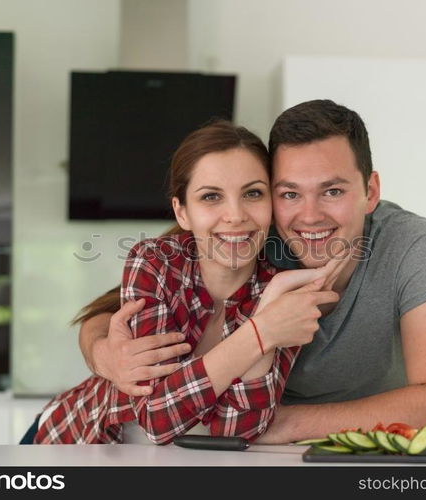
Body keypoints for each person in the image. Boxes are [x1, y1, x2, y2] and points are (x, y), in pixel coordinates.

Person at [78, 100, 426, 444]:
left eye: (333, 190)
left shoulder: (410, 244)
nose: (310, 215)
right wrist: (103, 353)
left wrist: (288, 424)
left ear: (371, 191)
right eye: (289, 193)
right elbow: (110, 314)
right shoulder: (249, 237)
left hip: (335, 451)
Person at [30, 120, 340, 444]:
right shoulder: (154, 262)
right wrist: (261, 333)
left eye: (252, 193)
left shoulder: (280, 291)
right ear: (182, 212)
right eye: (210, 197)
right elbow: (155, 418)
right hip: (69, 439)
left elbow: (238, 431)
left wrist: (273, 302)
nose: (235, 215)